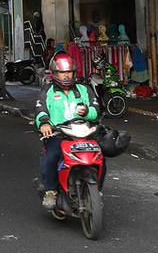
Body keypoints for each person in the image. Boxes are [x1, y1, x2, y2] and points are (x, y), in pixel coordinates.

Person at [34, 52, 100, 209]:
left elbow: (96, 110)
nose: (66, 76)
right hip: (58, 134)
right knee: (50, 158)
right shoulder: (47, 91)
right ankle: (50, 191)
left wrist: (87, 112)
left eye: (68, 72)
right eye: (62, 73)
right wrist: (44, 124)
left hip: (83, 133)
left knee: (99, 157)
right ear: (55, 73)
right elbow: (40, 109)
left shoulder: (84, 89)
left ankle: (97, 190)